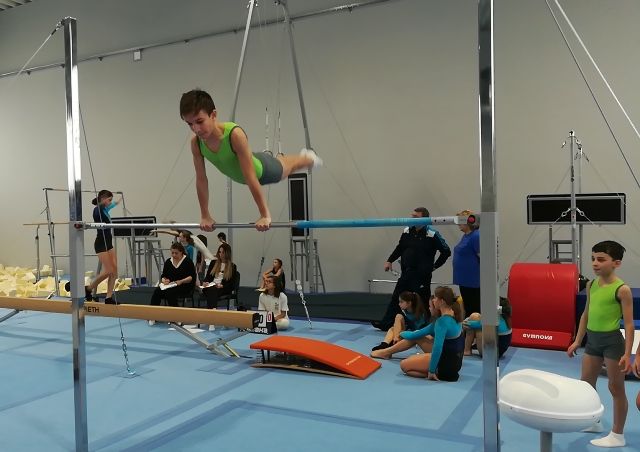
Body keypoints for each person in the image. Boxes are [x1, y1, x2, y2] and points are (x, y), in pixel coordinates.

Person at [180, 89, 322, 232]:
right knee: (283, 161)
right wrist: (205, 216)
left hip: (264, 171)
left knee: (290, 167)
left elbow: (250, 176)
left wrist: (264, 215)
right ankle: (302, 157)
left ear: (213, 115)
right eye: (190, 124)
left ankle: (309, 158)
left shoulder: (234, 135)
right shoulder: (196, 143)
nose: (196, 129)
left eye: (199, 121)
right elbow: (201, 179)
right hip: (251, 162)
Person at [566, 240, 633, 448]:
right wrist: (577, 340)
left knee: (615, 387)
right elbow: (586, 314)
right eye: (593, 259)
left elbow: (629, 324)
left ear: (616, 263)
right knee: (586, 384)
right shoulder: (591, 285)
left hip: (612, 342)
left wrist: (627, 354)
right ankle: (594, 421)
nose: (595, 263)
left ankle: (618, 434)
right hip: (592, 341)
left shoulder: (622, 289)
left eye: (601, 259)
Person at [372, 207, 451, 331]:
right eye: (412, 216)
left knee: (422, 300)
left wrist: (434, 266)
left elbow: (446, 251)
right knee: (397, 297)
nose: (412, 218)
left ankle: (423, 327)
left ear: (424, 219)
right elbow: (400, 248)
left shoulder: (432, 234)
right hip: (407, 272)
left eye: (415, 217)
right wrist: (389, 260)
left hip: (422, 275)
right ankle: (387, 323)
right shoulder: (407, 231)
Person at [371, 286, 465, 382]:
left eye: (435, 298)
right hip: (455, 365)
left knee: (403, 365)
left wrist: (431, 370)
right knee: (411, 358)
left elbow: (437, 348)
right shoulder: (455, 315)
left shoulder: (442, 322)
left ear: (442, 301)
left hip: (445, 365)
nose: (434, 300)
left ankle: (435, 373)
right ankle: (386, 352)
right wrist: (402, 333)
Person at [85, 190, 120, 304]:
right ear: (103, 199)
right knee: (108, 270)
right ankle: (88, 289)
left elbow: (111, 206)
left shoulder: (104, 209)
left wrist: (117, 202)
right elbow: (99, 208)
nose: (110, 202)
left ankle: (108, 298)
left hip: (108, 243)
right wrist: (103, 201)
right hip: (101, 243)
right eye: (109, 200)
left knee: (114, 271)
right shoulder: (97, 210)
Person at [148, 243, 196, 325]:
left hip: (184, 285)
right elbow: (164, 275)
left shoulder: (187, 261)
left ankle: (176, 317)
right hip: (171, 285)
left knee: (170, 293)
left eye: (176, 253)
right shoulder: (168, 262)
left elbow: (191, 277)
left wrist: (181, 281)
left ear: (181, 252)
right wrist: (164, 280)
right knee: (157, 291)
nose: (174, 255)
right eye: (172, 253)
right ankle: (153, 315)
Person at [201, 242, 238, 330]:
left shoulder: (232, 266)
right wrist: (205, 282)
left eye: (222, 252)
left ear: (227, 253)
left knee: (212, 291)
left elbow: (232, 284)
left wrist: (222, 286)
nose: (220, 254)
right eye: (219, 252)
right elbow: (208, 277)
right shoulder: (214, 263)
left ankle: (211, 318)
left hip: (222, 288)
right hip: (211, 286)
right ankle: (213, 316)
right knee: (212, 289)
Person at [453, 209, 480, 315]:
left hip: (472, 281)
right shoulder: (466, 236)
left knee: (474, 309)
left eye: (461, 221)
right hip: (465, 280)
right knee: (468, 308)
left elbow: (483, 258)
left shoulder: (476, 236)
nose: (458, 224)